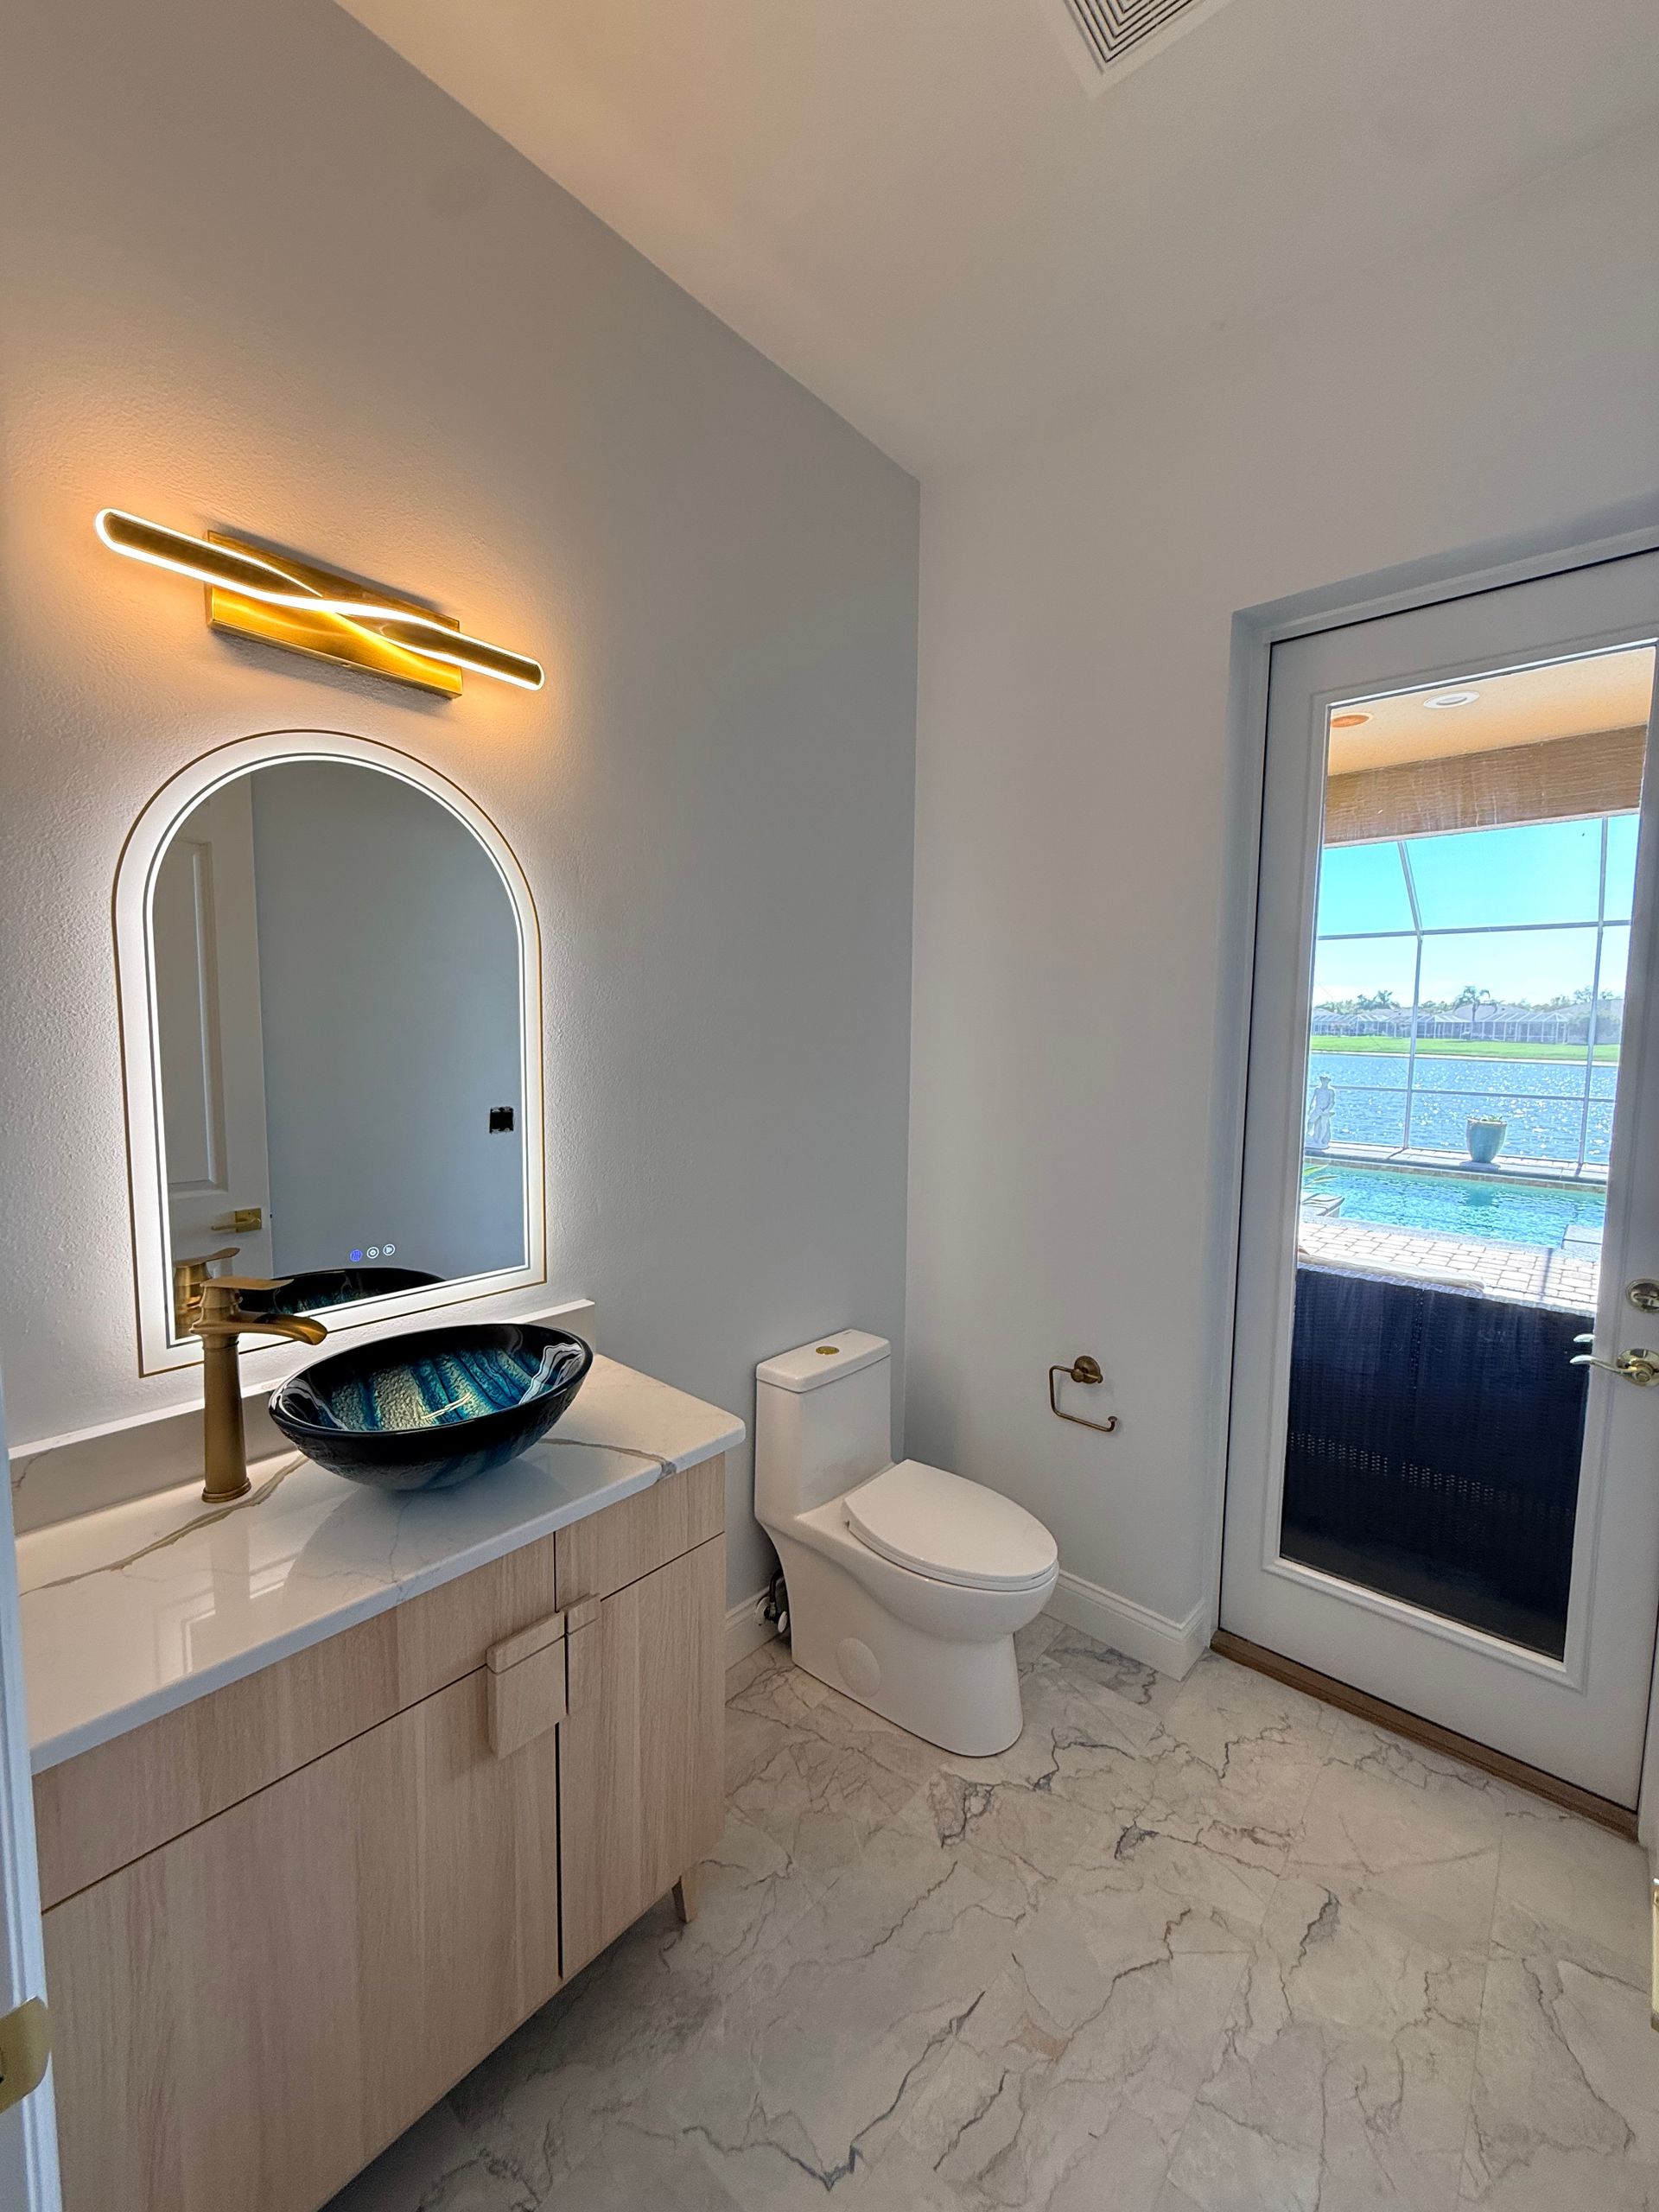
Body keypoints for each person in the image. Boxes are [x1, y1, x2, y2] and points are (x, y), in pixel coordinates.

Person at [1306, 1072, 1337, 1151]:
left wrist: (1327, 1110)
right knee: (1311, 1121)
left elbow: (1332, 1102)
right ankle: (1308, 1134)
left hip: (1325, 1110)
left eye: (1326, 1080)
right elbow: (1314, 1099)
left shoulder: (1331, 1091)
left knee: (1324, 1125)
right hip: (1317, 1108)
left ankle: (1320, 1139)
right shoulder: (1317, 1089)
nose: (1324, 1082)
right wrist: (1310, 1108)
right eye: (1323, 1080)